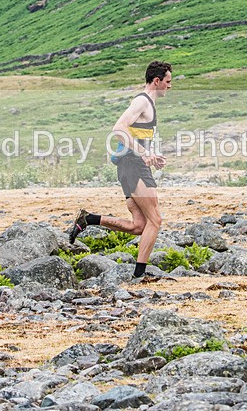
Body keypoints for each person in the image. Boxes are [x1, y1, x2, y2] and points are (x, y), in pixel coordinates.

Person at [68, 60, 172, 279]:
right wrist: (144, 155)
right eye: (168, 81)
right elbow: (119, 128)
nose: (170, 86)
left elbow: (137, 137)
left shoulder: (147, 104)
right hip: (133, 165)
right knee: (156, 221)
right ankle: (139, 276)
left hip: (131, 166)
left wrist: (152, 157)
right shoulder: (142, 102)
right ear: (157, 80)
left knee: (138, 226)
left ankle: (89, 219)